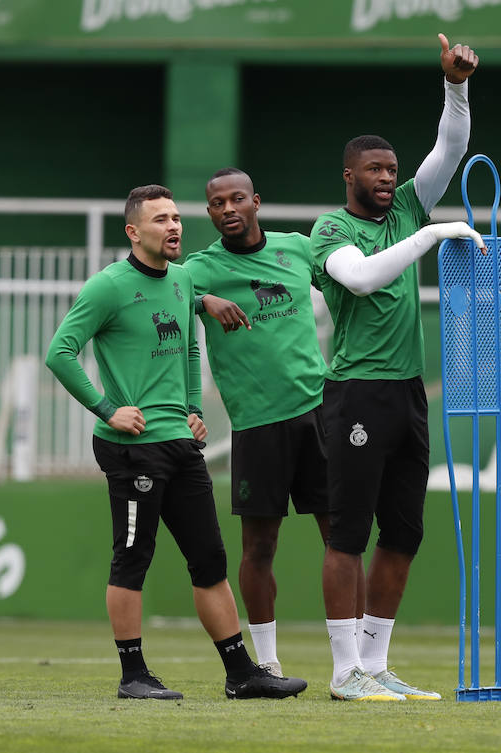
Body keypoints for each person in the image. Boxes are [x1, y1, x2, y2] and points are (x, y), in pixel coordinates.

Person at [45, 184, 308, 701]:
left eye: (175, 218)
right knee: (133, 558)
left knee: (209, 558)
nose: (173, 227)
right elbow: (60, 352)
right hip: (132, 447)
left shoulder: (185, 280)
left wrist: (191, 408)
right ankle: (133, 675)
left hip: (179, 445)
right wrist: (107, 409)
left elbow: (190, 344)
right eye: (160, 220)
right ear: (133, 231)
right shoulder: (108, 287)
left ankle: (241, 675)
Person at [309, 33, 484, 702]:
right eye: (375, 170)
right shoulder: (332, 230)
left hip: (408, 394)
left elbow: (450, 148)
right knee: (347, 532)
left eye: (392, 169)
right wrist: (434, 235)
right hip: (355, 392)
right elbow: (360, 281)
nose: (388, 178)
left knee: (405, 531)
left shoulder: (411, 204)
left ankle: (376, 664)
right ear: (350, 176)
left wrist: (455, 86)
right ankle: (342, 670)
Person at [181, 167, 364, 678]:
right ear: (211, 212)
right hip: (257, 425)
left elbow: (351, 284)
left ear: (256, 201)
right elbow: (156, 292)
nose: (228, 209)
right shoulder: (200, 269)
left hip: (318, 411)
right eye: (217, 203)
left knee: (342, 539)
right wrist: (203, 301)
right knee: (259, 547)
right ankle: (266, 662)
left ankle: (358, 663)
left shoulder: (298, 249)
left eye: (237, 199)